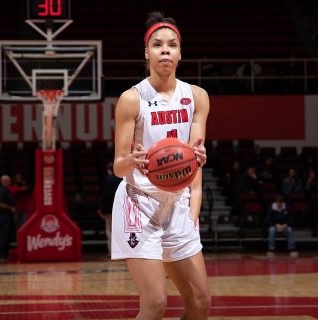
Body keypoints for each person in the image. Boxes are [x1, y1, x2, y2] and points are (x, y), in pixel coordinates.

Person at [111, 11, 211, 319]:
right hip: (138, 203)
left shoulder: (196, 97)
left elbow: (195, 163)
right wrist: (130, 160)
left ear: (180, 53)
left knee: (200, 302)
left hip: (178, 203)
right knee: (155, 305)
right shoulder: (132, 99)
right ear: (147, 52)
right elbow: (117, 166)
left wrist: (193, 215)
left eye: (171, 44)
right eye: (157, 44)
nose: (165, 50)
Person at [96, 162, 122, 256]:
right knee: (120, 231)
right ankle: (121, 251)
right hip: (121, 209)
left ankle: (112, 252)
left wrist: (101, 208)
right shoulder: (122, 178)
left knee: (110, 231)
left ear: (108, 170)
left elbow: (106, 195)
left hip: (110, 209)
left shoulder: (108, 179)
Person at [0, 174, 17, 259]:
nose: (9, 182)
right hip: (3, 216)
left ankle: (6, 253)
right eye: (8, 181)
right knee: (4, 236)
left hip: (8, 216)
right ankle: (2, 254)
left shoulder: (7, 190)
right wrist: (10, 208)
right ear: (4, 181)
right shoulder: (2, 191)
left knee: (8, 235)